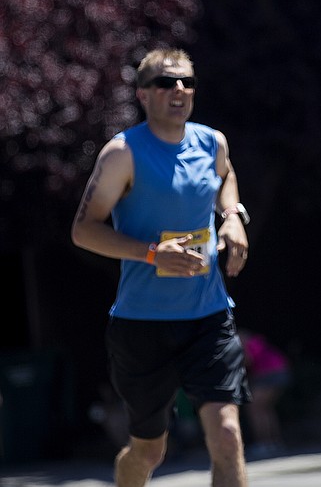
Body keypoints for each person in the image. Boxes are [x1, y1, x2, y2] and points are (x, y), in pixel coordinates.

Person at [71, 47, 252, 487]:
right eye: (165, 83)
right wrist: (153, 254)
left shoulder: (212, 142)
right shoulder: (123, 154)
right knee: (149, 449)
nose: (179, 90)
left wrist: (232, 218)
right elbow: (83, 230)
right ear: (143, 95)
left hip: (208, 316)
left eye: (187, 82)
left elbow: (225, 177)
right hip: (142, 325)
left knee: (227, 435)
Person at [240, 330, 290, 458]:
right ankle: (274, 443)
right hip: (280, 371)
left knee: (255, 409)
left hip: (269, 374)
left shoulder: (243, 340)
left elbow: (247, 361)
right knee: (266, 409)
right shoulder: (256, 340)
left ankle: (264, 444)